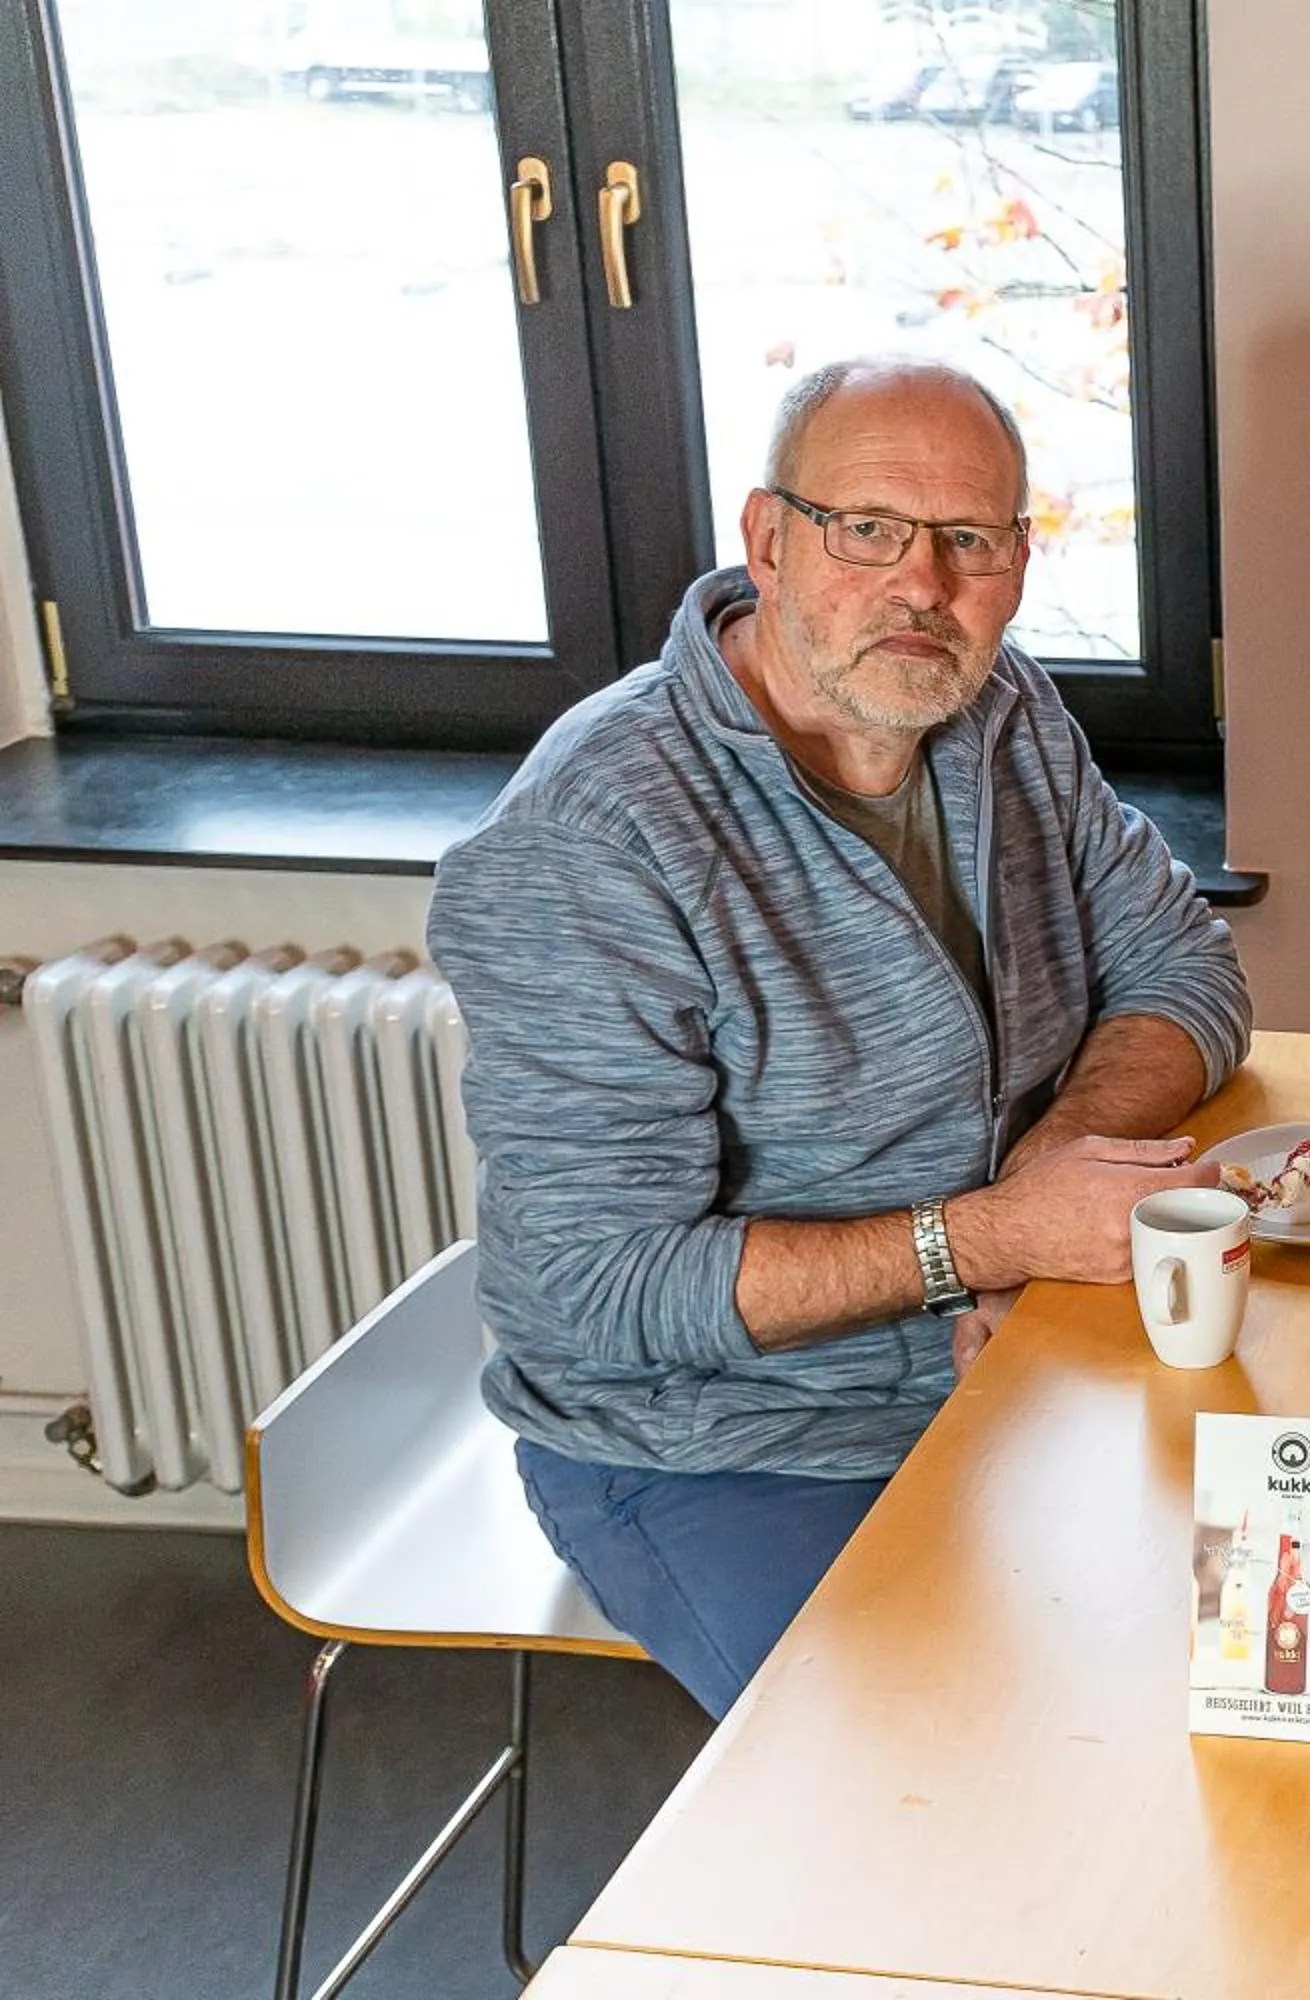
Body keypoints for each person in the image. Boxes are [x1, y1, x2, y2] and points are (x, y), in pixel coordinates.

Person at [430, 357, 1252, 1716]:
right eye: (867, 529)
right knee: (953, 1816)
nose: (923, 586)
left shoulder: (1001, 712)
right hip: (730, 1448)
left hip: (1025, 1364)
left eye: (971, 542)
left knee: (1290, 1659)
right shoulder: (593, 837)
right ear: (766, 542)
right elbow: (594, 1291)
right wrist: (991, 1240)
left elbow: (1183, 965)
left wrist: (1040, 1194)